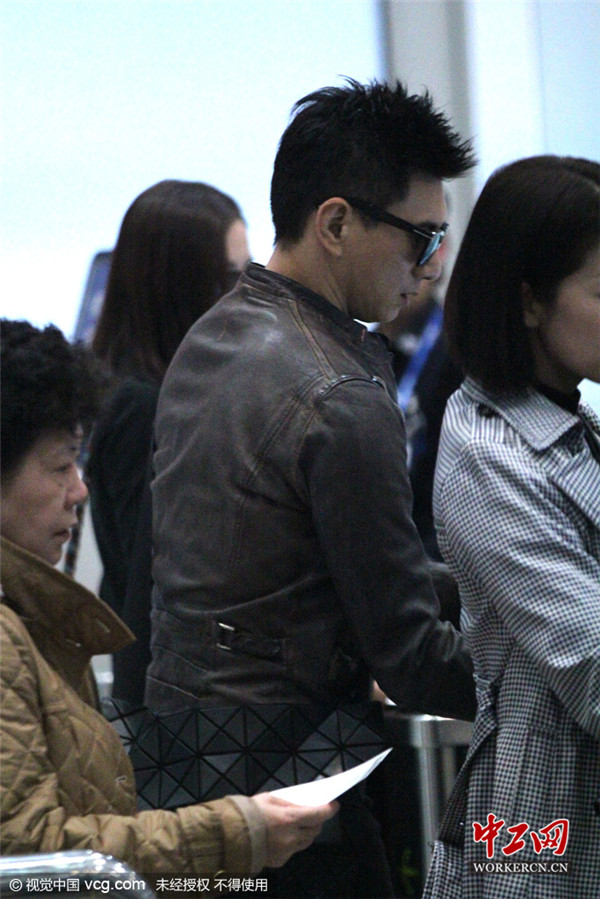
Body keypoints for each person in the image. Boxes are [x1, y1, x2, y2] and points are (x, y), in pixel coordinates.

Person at [147, 79, 477, 897]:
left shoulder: (213, 333)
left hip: (182, 762)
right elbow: (411, 657)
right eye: (422, 238)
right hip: (290, 784)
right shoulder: (340, 391)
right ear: (335, 223)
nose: (432, 267)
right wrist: (542, 678)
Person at [0, 319, 337, 884]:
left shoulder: (30, 619)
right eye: (60, 466)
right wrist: (236, 832)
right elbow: (35, 859)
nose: (78, 489)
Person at [423, 156, 600, 899]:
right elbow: (593, 665)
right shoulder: (489, 452)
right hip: (542, 812)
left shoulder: (571, 420)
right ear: (529, 301)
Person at [87, 180, 251, 705]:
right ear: (179, 285)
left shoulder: (145, 393)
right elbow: (149, 588)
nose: (246, 296)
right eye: (231, 278)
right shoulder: (145, 406)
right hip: (167, 699)